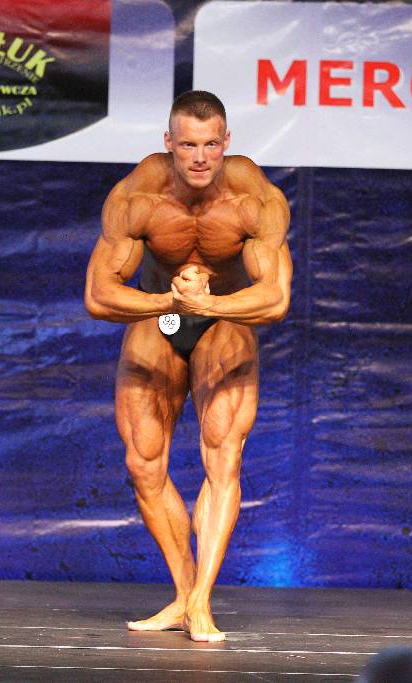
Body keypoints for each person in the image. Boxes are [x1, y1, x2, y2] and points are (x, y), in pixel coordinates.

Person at [84, 90, 292, 642]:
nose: (200, 158)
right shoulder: (138, 196)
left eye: (210, 145)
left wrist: (210, 306)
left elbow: (275, 299)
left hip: (223, 318)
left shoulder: (255, 199)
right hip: (161, 312)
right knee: (143, 462)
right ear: (169, 143)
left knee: (223, 458)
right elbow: (98, 294)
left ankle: (201, 602)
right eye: (188, 146)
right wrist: (169, 303)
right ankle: (182, 594)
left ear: (226, 143)